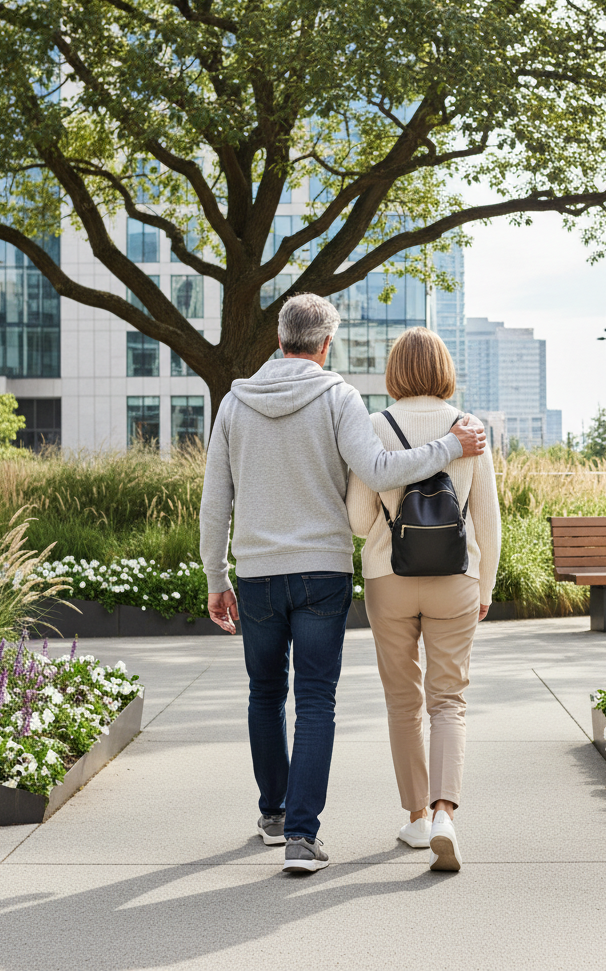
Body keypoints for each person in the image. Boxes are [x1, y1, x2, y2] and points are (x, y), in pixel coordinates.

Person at [199, 294, 486, 875]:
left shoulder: (234, 402)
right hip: (322, 573)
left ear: (278, 338)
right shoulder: (338, 397)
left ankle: (273, 817)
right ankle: (303, 839)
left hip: (255, 572)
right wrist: (449, 448)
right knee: (314, 700)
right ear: (325, 344)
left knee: (262, 694)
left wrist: (216, 574)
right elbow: (379, 472)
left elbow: (215, 500)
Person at [346, 327, 502, 872]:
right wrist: (484, 587)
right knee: (449, 700)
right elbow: (488, 518)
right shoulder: (470, 429)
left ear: (394, 371)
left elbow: (358, 520)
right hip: (456, 579)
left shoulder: (373, 426)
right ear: (444, 369)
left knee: (403, 701)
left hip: (388, 579)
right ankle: (444, 814)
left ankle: (415, 818)